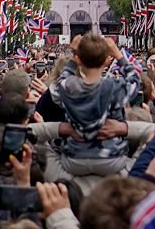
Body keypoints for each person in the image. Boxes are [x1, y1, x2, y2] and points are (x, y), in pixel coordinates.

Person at [51, 34, 140, 178]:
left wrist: (74, 56)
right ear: (107, 61)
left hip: (74, 158)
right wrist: (118, 55)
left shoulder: (69, 86)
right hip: (110, 158)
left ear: (79, 60)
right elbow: (135, 81)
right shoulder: (113, 87)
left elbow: (61, 80)